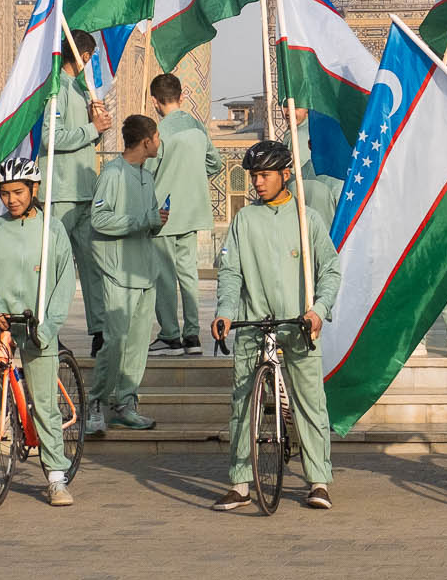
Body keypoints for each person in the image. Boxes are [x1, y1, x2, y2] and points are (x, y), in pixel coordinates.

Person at [211, 139, 342, 511]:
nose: (257, 183)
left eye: (265, 175)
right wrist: (224, 310)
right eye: (254, 176)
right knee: (243, 403)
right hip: (253, 325)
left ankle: (318, 480)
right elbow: (231, 272)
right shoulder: (244, 220)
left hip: (298, 325)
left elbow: (330, 270)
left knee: (310, 404)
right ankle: (240, 483)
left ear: (286, 175)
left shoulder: (306, 219)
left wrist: (318, 309)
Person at [0, 156, 77, 506]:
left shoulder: (51, 230)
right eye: (5, 193)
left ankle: (56, 476)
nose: (11, 199)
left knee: (43, 402)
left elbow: (63, 284)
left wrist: (49, 324)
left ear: (34, 189)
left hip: (37, 327)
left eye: (18, 192)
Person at [87, 114, 165, 435]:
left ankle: (125, 404)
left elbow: (147, 221)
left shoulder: (146, 176)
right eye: (157, 137)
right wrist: (142, 220)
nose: (159, 142)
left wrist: (156, 220)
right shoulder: (113, 174)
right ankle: (95, 403)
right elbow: (99, 219)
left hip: (145, 270)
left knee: (137, 345)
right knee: (116, 341)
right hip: (118, 272)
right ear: (146, 141)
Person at [146, 74, 222, 354]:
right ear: (182, 96)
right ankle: (193, 335)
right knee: (188, 274)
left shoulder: (158, 132)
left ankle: (170, 335)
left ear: (154, 100)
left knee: (164, 276)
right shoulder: (197, 127)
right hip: (192, 211)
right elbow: (215, 163)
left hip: (163, 212)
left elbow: (148, 172)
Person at [50, 32, 113, 356]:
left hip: (86, 192)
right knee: (56, 267)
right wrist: (92, 129)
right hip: (60, 192)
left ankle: (100, 330)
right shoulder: (55, 88)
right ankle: (49, 330)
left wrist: (96, 126)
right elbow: (51, 137)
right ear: (85, 56)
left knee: (93, 264)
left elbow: (90, 140)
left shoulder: (81, 90)